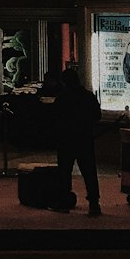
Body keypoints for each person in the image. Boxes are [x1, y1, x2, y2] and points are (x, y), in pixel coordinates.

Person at [51, 66, 102, 216]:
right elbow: (97, 115)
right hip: (84, 138)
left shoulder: (62, 98)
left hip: (66, 140)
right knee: (89, 172)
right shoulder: (88, 96)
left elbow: (55, 118)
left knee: (64, 172)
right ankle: (94, 203)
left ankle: (64, 202)